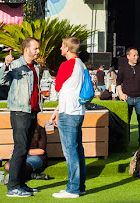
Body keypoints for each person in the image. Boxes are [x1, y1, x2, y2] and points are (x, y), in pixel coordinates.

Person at [0, 37, 43, 198]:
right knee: (20, 148)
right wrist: (6, 65)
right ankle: (13, 187)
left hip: (32, 111)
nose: (38, 51)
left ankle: (21, 184)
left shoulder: (35, 67)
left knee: (25, 150)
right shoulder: (16, 65)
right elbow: (1, 81)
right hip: (19, 111)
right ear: (26, 50)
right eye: (35, 48)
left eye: (38, 48)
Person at [49, 36, 87, 198]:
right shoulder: (81, 64)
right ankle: (80, 186)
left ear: (67, 48)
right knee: (78, 149)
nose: (60, 49)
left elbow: (58, 87)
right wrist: (58, 110)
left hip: (69, 113)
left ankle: (72, 189)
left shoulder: (66, 65)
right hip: (77, 111)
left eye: (62, 46)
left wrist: (58, 110)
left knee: (70, 152)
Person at [117, 47, 140, 143]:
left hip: (139, 99)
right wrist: (121, 94)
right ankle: (125, 141)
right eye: (134, 55)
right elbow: (118, 83)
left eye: (137, 55)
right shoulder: (123, 68)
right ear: (128, 56)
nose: (136, 57)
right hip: (127, 98)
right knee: (126, 122)